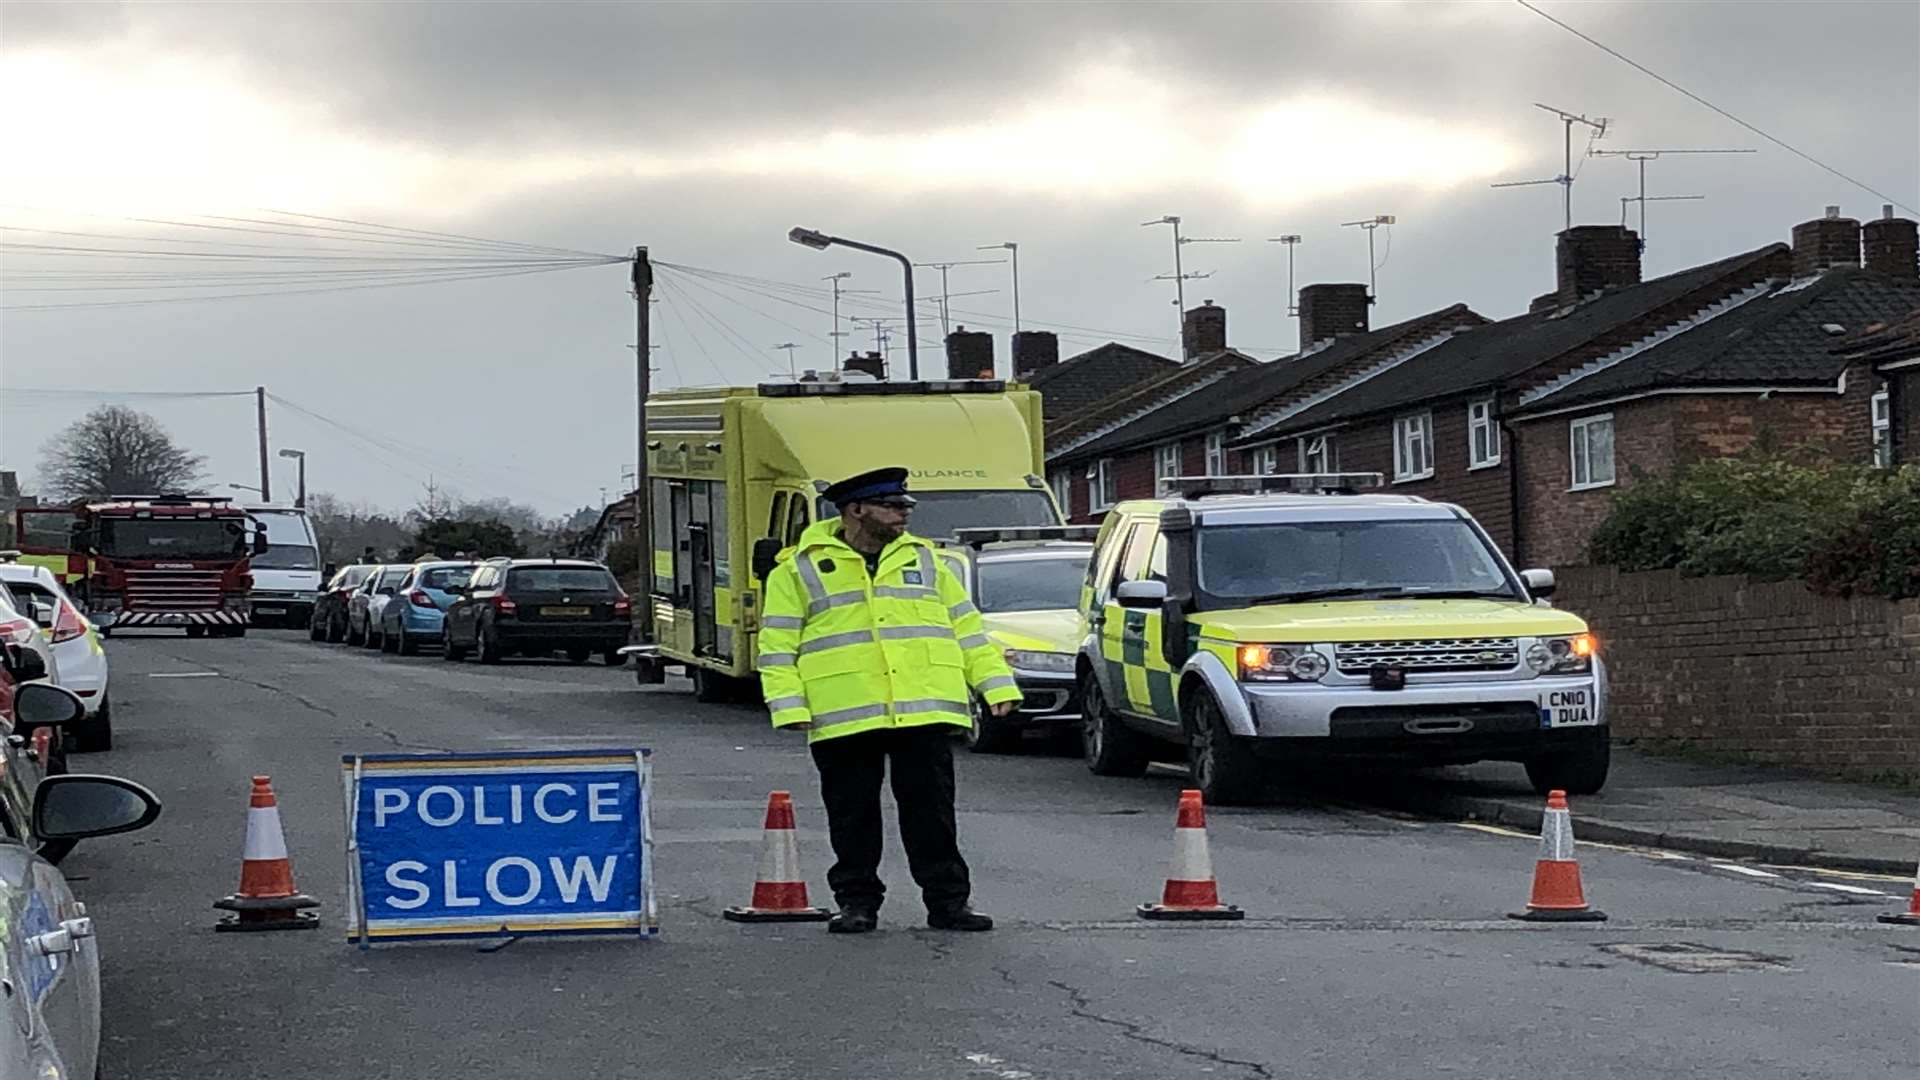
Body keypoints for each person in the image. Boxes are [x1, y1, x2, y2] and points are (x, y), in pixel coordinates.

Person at [758, 467, 1022, 934]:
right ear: (856, 510)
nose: (905, 514)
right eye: (893, 506)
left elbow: (966, 629)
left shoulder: (926, 561)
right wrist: (788, 705)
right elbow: (778, 645)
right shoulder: (798, 569)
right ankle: (857, 903)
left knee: (933, 816)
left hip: (923, 707)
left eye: (905, 506)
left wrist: (995, 684)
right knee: (852, 817)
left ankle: (948, 904)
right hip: (844, 712)